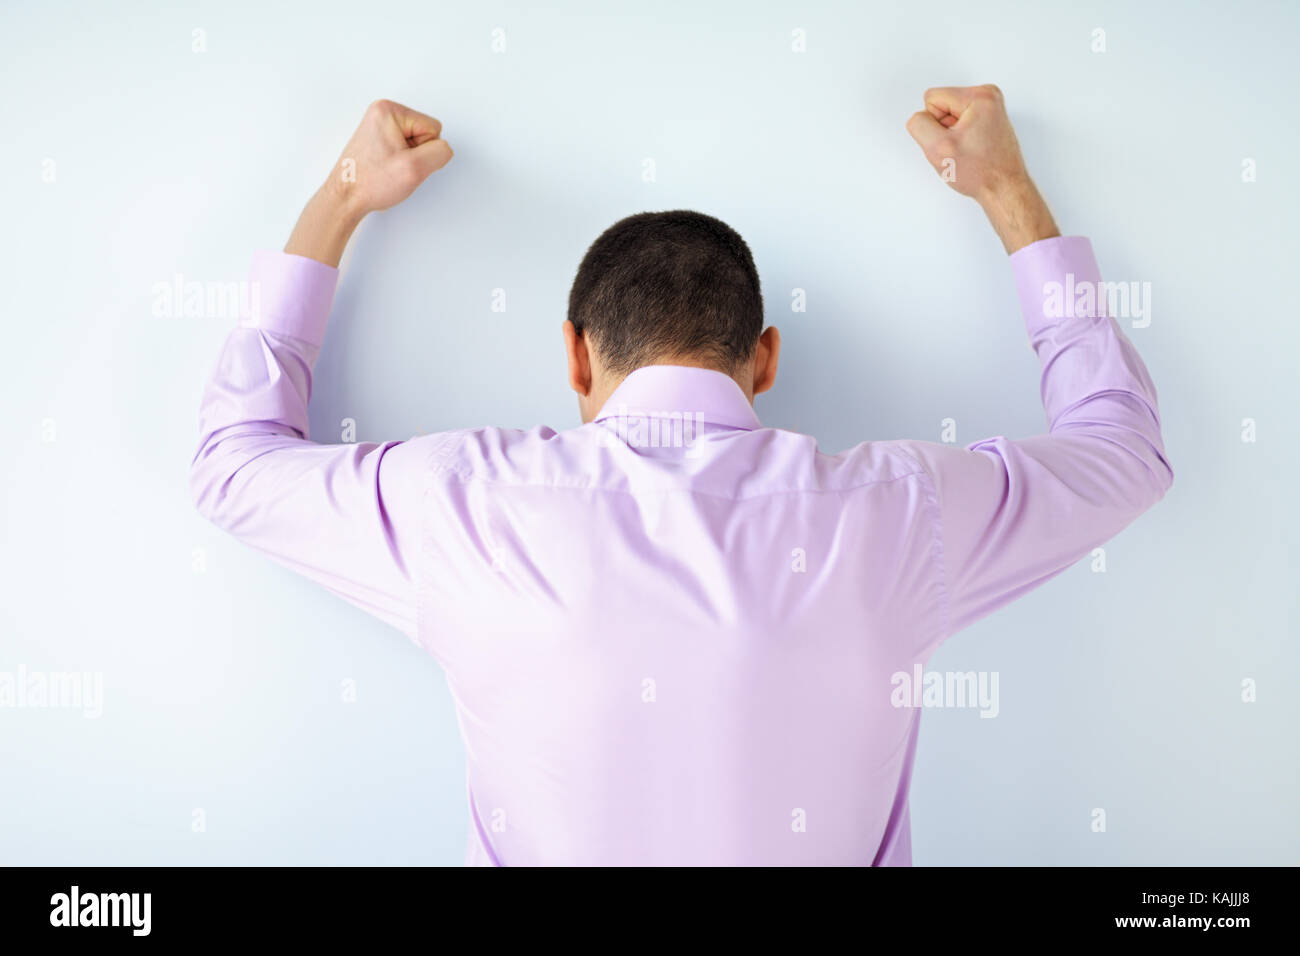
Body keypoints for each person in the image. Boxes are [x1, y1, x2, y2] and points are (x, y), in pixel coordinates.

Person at [191, 86, 1173, 865]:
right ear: (766, 358)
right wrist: (1006, 189)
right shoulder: (897, 511)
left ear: (575, 357)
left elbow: (233, 463)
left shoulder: (463, 504)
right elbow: (1122, 451)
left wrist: (342, 196)